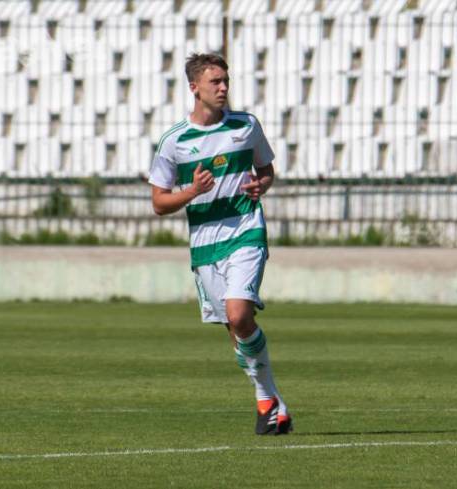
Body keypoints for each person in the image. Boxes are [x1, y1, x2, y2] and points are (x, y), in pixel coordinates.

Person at [148, 52, 292, 435]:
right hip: (205, 244)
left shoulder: (246, 126)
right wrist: (193, 191)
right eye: (215, 82)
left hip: (246, 230)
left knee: (239, 315)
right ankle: (271, 400)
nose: (224, 87)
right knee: (234, 327)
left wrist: (262, 185)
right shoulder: (175, 141)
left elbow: (266, 170)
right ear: (194, 87)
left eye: (226, 80)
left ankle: (265, 401)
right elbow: (159, 203)